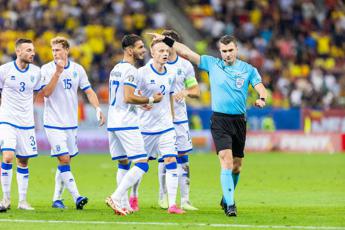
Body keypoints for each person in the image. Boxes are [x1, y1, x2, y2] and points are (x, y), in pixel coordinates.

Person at [148, 32, 267, 216]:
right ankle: (230, 205)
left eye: (230, 50)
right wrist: (166, 40)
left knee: (237, 165)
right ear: (220, 52)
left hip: (239, 121)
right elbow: (187, 52)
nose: (227, 54)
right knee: (226, 161)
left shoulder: (248, 69)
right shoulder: (212, 64)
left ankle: (226, 196)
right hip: (220, 120)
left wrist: (262, 98)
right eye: (224, 51)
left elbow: (260, 86)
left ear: (236, 50)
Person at [41, 36, 106, 210]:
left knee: (65, 161)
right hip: (53, 123)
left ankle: (57, 199)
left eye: (58, 50)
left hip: (71, 123)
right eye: (53, 50)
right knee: (63, 158)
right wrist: (58, 73)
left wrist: (98, 108)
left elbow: (89, 91)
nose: (55, 53)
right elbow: (46, 93)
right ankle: (77, 197)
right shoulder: (46, 69)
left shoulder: (78, 69)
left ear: (67, 50)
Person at [105, 34, 162, 216]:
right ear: (130, 50)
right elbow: (128, 96)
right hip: (126, 123)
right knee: (142, 163)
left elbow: (125, 96)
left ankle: (122, 205)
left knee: (123, 163)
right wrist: (151, 99)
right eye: (140, 47)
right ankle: (116, 196)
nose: (143, 50)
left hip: (113, 120)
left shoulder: (116, 68)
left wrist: (140, 102)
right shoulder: (131, 71)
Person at [132, 39, 185, 214]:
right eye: (161, 51)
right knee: (141, 165)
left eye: (167, 51)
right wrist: (141, 104)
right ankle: (133, 196)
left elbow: (170, 96)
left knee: (171, 161)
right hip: (146, 128)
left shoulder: (171, 73)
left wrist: (172, 117)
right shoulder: (142, 73)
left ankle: (172, 204)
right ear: (152, 53)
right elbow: (131, 95)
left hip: (166, 126)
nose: (165, 54)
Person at [156, 30, 200, 211]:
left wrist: (186, 92)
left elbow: (196, 91)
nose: (165, 45)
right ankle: (163, 196)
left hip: (180, 119)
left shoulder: (185, 65)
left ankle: (186, 200)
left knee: (183, 157)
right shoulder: (156, 64)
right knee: (164, 158)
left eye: (168, 42)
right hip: (161, 119)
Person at [0, 38, 43, 211]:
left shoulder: (37, 72)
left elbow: (35, 93)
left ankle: (22, 201)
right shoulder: (4, 70)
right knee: (8, 156)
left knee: (23, 161)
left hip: (26, 122)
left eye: (33, 50)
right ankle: (5, 199)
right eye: (28, 50)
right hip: (7, 120)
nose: (32, 53)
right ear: (18, 51)